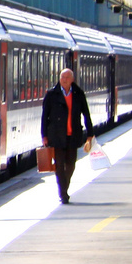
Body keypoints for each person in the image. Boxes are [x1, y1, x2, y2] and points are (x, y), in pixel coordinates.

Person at [41, 67, 94, 204]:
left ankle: (64, 187)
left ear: (72, 80)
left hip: (73, 134)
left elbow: (86, 114)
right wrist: (44, 135)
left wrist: (90, 134)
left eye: (67, 78)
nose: (64, 80)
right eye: (62, 77)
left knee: (70, 165)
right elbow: (44, 116)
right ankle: (63, 193)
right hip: (56, 135)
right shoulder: (51, 94)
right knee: (59, 166)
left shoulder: (78, 94)